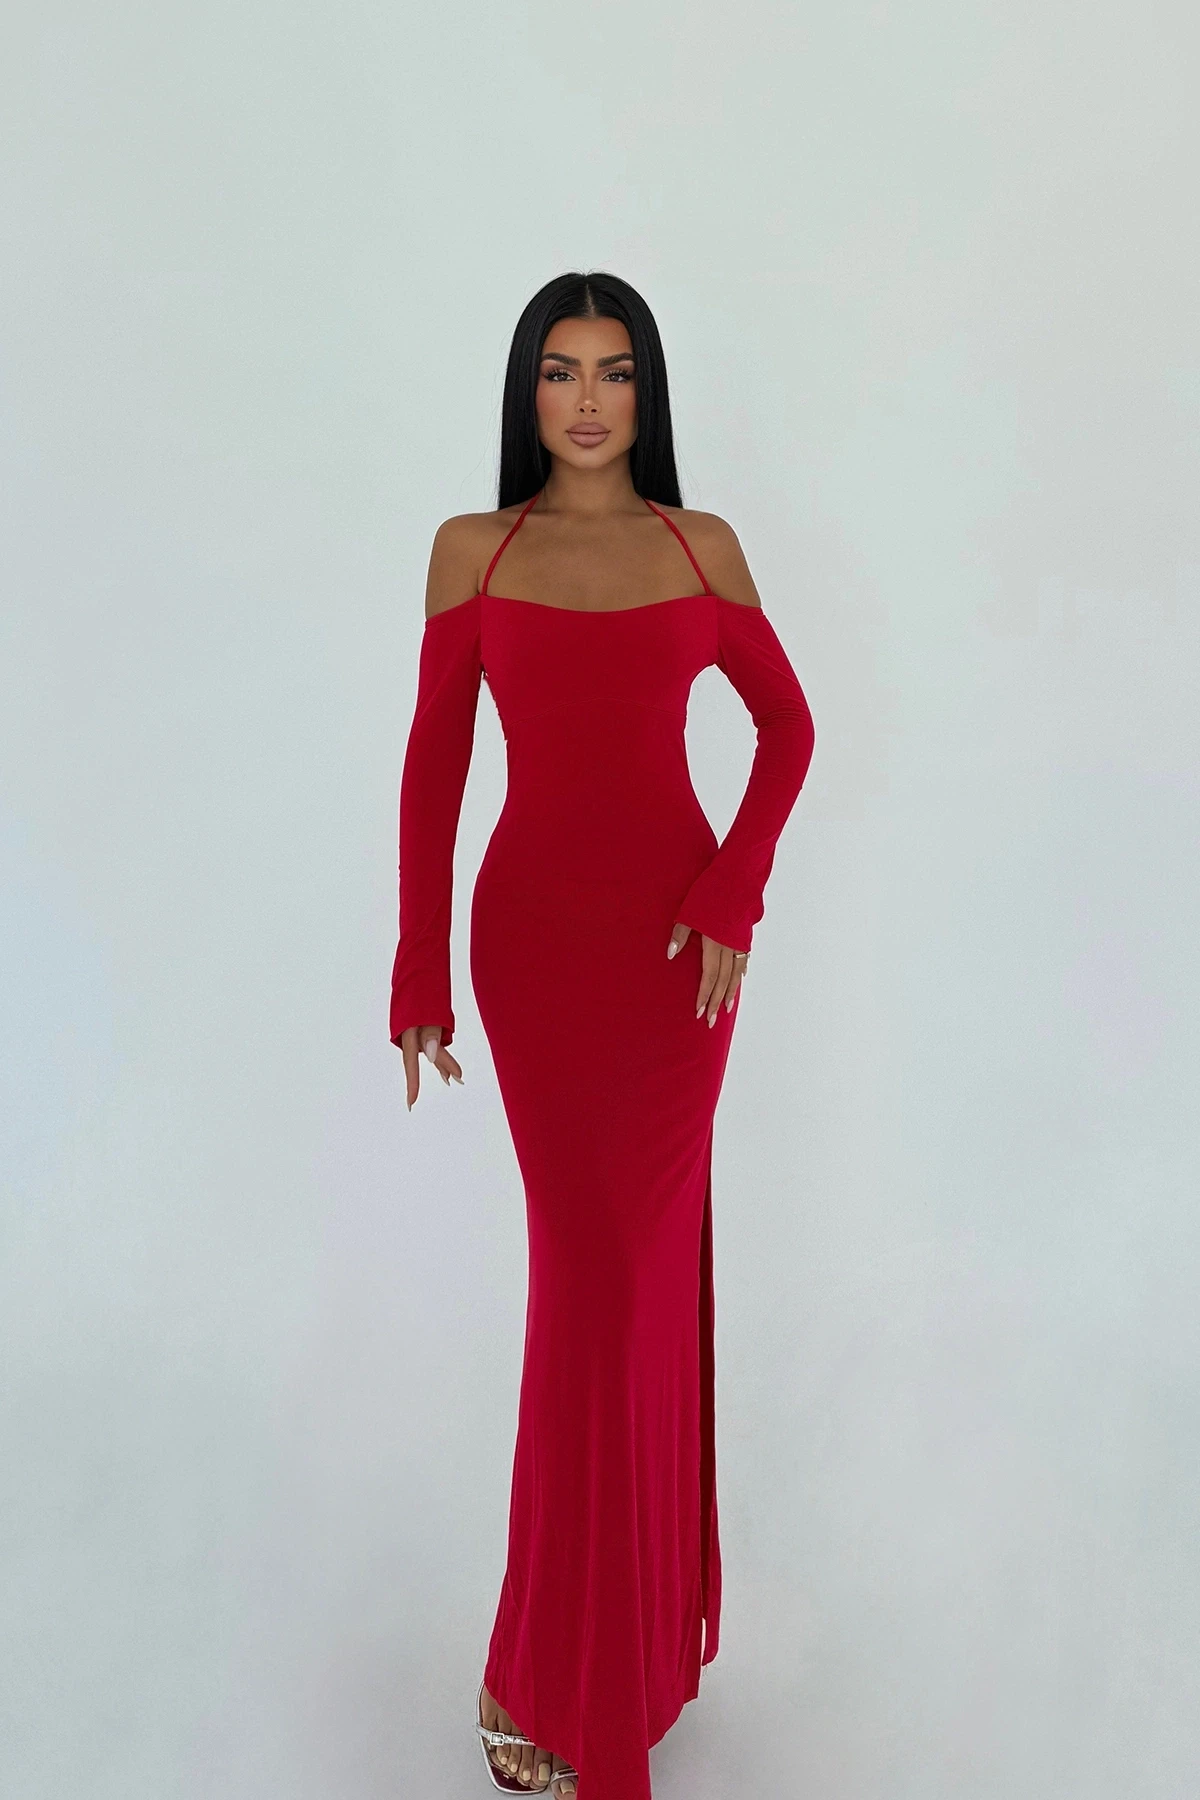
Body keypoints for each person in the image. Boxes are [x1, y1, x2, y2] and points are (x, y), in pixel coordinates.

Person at [389, 271, 816, 1800]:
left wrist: (733, 887)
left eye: (615, 371)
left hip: (675, 965)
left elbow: (789, 727)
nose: (587, 399)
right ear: (528, 390)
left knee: (632, 1293)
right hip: (536, 957)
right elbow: (435, 769)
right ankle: (546, 1665)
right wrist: (417, 969)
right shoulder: (476, 550)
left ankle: (613, 1663)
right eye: (561, 370)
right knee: (590, 1291)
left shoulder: (700, 549)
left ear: (648, 393)